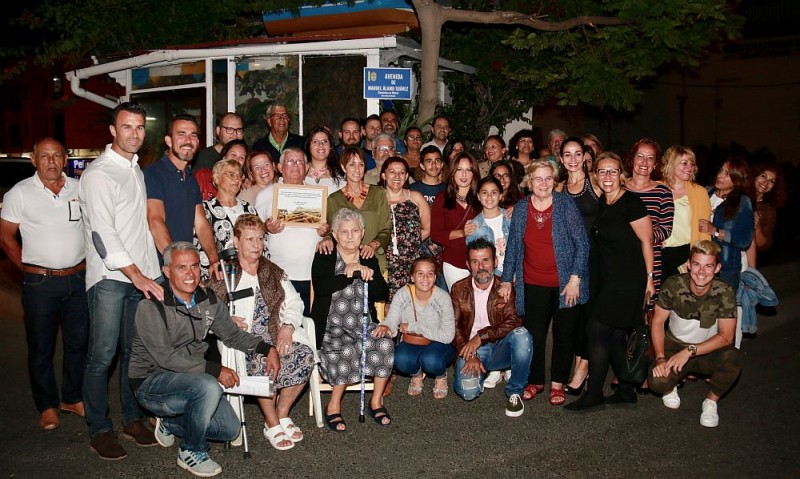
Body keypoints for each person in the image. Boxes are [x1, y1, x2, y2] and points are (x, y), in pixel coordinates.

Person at [129, 242, 280, 477]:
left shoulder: (206, 299)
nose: (190, 274)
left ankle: (169, 423)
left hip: (193, 377)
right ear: (167, 271)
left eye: (195, 266)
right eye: (181, 268)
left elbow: (231, 334)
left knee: (228, 429)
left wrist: (266, 348)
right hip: (152, 382)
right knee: (208, 385)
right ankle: (191, 450)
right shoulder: (150, 305)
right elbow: (165, 357)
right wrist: (214, 369)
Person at [79, 102, 163, 459]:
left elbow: (139, 230)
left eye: (140, 127)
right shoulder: (99, 174)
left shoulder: (135, 169)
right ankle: (99, 429)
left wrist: (154, 273)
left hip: (139, 277)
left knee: (133, 353)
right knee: (102, 355)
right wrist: (138, 275)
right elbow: (104, 236)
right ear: (113, 130)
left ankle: (132, 419)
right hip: (110, 279)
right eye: (127, 127)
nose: (134, 133)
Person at [0, 137, 89, 431]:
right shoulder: (20, 193)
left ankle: (72, 398)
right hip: (40, 283)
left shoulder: (79, 189)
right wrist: (25, 269)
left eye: (56, 156)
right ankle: (48, 405)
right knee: (41, 347)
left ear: (65, 159)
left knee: (78, 343)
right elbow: (6, 236)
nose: (51, 162)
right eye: (44, 156)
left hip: (77, 279)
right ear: (34, 160)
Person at [207, 215, 314, 451]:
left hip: (276, 332)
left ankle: (282, 413)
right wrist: (224, 318)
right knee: (262, 361)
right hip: (244, 340)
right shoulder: (224, 273)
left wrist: (288, 327)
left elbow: (295, 301)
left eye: (260, 238)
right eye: (249, 239)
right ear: (236, 241)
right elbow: (205, 307)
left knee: (305, 354)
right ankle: (271, 422)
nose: (256, 244)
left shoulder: (271, 270)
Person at [565, 152, 655, 412]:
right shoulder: (603, 204)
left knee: (595, 329)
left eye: (612, 171)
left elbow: (647, 242)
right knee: (615, 334)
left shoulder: (631, 202)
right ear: (596, 175)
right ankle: (627, 390)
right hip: (606, 278)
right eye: (602, 171)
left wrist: (649, 280)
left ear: (621, 175)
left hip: (629, 279)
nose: (607, 176)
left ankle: (594, 395)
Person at [499, 160, 590, 405]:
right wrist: (507, 280)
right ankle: (536, 380)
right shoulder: (521, 208)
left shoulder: (565, 205)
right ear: (529, 182)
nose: (543, 183)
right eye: (537, 179)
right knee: (534, 335)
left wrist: (575, 279)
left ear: (554, 181)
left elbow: (583, 243)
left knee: (564, 334)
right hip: (533, 282)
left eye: (548, 178)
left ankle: (558, 384)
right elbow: (514, 247)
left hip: (565, 284)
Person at [312, 208, 393, 430]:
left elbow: (380, 294)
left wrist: (369, 273)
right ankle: (333, 406)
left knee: (384, 342)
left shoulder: (368, 256)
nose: (349, 236)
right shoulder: (325, 254)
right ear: (335, 235)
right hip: (331, 328)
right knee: (347, 349)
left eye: (355, 231)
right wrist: (348, 274)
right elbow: (320, 288)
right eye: (344, 231)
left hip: (363, 326)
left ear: (362, 233)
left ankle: (376, 401)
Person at [648, 240, 741, 428]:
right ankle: (672, 384)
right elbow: (657, 322)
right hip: (675, 345)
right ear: (689, 265)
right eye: (697, 264)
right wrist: (660, 358)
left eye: (708, 266)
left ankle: (711, 402)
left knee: (733, 358)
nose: (701, 271)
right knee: (658, 381)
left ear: (717, 268)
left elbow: (726, 337)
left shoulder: (724, 292)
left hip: (706, 350)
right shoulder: (673, 285)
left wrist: (690, 350)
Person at [451, 238, 533, 417]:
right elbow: (454, 327)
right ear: (468, 264)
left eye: (486, 260)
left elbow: (514, 320)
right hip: (473, 351)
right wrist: (470, 354)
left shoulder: (506, 287)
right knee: (468, 393)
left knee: (522, 335)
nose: (481, 266)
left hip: (501, 346)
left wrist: (481, 336)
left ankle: (515, 392)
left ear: (495, 262)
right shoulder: (458, 289)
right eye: (475, 261)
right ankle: (487, 371)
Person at [256, 147, 330, 316]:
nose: (295, 165)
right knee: (281, 324)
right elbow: (254, 232)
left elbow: (329, 231)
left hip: (312, 275)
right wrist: (267, 228)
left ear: (307, 168)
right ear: (280, 167)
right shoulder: (266, 195)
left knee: (310, 327)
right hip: (279, 275)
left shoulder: (318, 195)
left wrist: (325, 232)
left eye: (300, 162)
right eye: (290, 161)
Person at [144, 114, 219, 274]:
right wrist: (175, 263)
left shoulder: (190, 178)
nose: (188, 140)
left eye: (193, 135)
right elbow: (155, 220)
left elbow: (200, 223)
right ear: (168, 141)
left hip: (183, 268)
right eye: (181, 134)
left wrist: (214, 259)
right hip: (160, 270)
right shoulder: (154, 173)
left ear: (198, 142)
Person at [555, 138, 602, 397]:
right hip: (568, 261)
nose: (573, 159)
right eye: (567, 154)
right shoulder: (560, 187)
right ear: (560, 159)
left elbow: (619, 203)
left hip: (595, 258)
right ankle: (576, 363)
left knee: (590, 315)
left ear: (585, 156)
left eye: (577, 154)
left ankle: (582, 367)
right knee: (571, 316)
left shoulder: (595, 182)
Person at [374, 257, 455, 399]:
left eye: (430, 274)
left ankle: (440, 376)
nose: (425, 278)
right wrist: (386, 326)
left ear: (435, 277)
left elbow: (448, 336)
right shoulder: (403, 294)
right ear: (412, 277)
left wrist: (414, 326)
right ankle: (417, 374)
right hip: (413, 342)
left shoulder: (443, 298)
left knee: (431, 360)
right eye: (420, 274)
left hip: (439, 344)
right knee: (400, 359)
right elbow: (392, 319)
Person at [319, 146, 392, 278]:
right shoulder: (333, 199)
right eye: (352, 164)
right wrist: (326, 237)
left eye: (361, 164)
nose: (357, 170)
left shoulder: (379, 193)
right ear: (343, 167)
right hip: (345, 264)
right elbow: (331, 231)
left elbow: (386, 229)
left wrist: (372, 246)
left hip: (374, 259)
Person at [194, 159, 263, 282]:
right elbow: (198, 246)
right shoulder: (205, 209)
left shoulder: (249, 209)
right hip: (220, 278)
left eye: (240, 176)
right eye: (231, 175)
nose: (237, 180)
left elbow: (263, 242)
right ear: (216, 179)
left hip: (251, 276)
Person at [625, 138, 673, 305]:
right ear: (632, 160)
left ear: (655, 164)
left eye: (650, 158)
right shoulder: (619, 187)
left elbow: (666, 229)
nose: (644, 162)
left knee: (647, 310)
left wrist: (644, 236)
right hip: (621, 257)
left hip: (651, 261)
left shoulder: (663, 192)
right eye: (640, 156)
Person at [381, 157, 431, 303]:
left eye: (402, 172)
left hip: (411, 262)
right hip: (385, 264)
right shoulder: (376, 199)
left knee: (412, 306)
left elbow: (427, 228)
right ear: (384, 175)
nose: (397, 176)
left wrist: (409, 245)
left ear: (407, 176)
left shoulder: (415, 197)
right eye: (392, 172)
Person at [700, 157, 754, 292]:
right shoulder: (705, 192)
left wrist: (716, 231)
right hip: (699, 263)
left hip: (725, 269)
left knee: (721, 311)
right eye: (721, 170)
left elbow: (744, 240)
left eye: (727, 174)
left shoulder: (742, 202)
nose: (720, 175)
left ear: (737, 180)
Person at [660, 146, 712, 279]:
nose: (690, 167)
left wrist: (698, 261)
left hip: (685, 253)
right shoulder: (655, 188)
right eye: (684, 163)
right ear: (671, 164)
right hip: (658, 253)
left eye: (692, 164)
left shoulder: (699, 192)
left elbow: (704, 232)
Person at [430, 152, 479, 290]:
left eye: (468, 170)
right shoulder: (443, 198)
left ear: (474, 173)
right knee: (461, 306)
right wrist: (462, 232)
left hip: (480, 261)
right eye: (459, 170)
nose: (464, 175)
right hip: (454, 263)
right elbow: (436, 234)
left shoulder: (482, 197)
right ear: (452, 173)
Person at [466, 176, 510, 277]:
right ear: (478, 196)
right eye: (484, 193)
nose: (489, 197)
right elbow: (474, 259)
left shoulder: (511, 218)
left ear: (500, 196)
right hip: (490, 277)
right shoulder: (473, 226)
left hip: (515, 274)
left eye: (494, 192)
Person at [746, 162, 781, 267]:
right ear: (754, 176)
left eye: (772, 181)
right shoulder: (739, 196)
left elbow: (764, 246)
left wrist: (757, 227)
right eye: (763, 176)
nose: (766, 182)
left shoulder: (768, 209)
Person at [305, 125, 345, 194]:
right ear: (309, 146)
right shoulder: (300, 170)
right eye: (315, 141)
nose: (321, 145)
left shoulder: (341, 173)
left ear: (330, 146)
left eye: (325, 141)